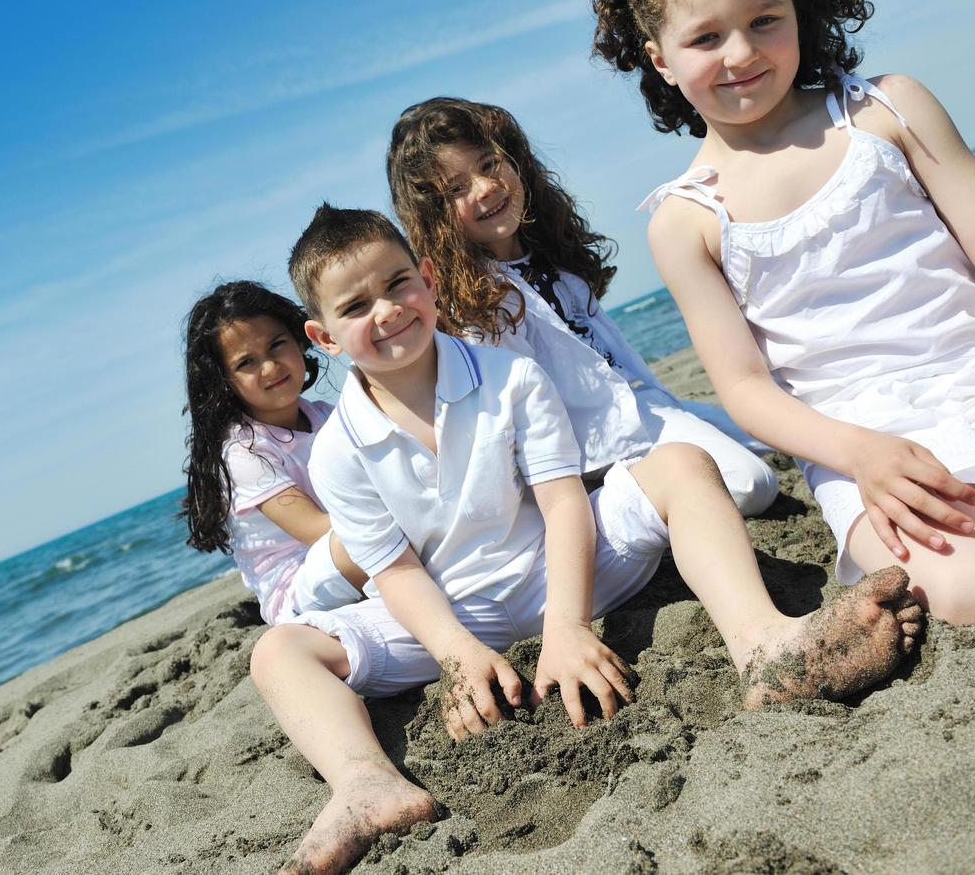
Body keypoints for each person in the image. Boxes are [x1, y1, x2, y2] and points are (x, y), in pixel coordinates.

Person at [249, 204, 922, 874]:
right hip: (454, 610)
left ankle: (764, 646)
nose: (387, 311)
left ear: (426, 278)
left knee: (680, 464)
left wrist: (568, 627)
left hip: (563, 567)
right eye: (356, 305)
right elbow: (394, 572)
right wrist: (456, 655)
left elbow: (565, 500)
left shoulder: (507, 378)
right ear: (325, 337)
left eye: (398, 283)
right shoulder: (337, 451)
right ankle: (366, 784)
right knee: (279, 651)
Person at [599, 0, 975, 634]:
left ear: (799, 14)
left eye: (764, 20)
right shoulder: (686, 220)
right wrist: (859, 455)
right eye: (706, 37)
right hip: (862, 444)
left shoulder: (883, 111)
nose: (741, 53)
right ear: (662, 61)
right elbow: (746, 388)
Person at [386, 96, 777, 515]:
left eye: (487, 164)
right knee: (752, 483)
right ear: (434, 216)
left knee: (769, 434)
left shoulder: (549, 250)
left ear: (512, 157)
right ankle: (619, 501)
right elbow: (519, 419)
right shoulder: (478, 305)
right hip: (591, 447)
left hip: (642, 407)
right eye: (456, 189)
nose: (485, 188)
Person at [177, 281, 366, 626]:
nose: (270, 367)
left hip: (355, 551)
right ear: (224, 381)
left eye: (277, 345)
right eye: (246, 362)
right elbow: (317, 530)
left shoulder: (325, 414)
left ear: (299, 340)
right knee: (365, 540)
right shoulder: (243, 454)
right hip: (300, 587)